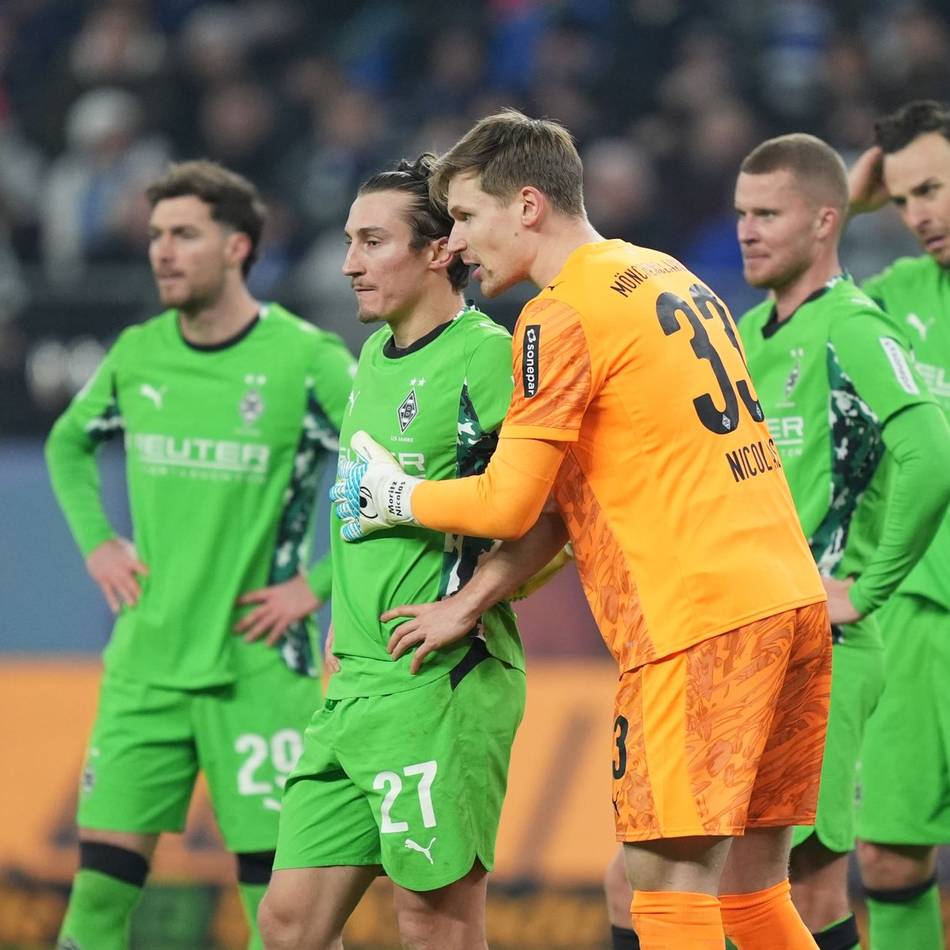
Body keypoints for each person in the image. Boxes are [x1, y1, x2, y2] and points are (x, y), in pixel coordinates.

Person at [333, 110, 833, 950]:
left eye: (463, 217)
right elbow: (574, 499)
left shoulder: (559, 317)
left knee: (666, 886)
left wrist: (395, 496)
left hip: (693, 622)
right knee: (752, 892)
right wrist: (476, 595)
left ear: (527, 205)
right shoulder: (667, 272)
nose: (455, 243)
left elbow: (505, 506)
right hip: (788, 603)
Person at [606, 131, 950, 950]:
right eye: (739, 213)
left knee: (806, 877)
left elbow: (932, 453)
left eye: (768, 213)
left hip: (823, 645)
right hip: (739, 641)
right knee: (644, 875)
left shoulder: (853, 328)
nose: (746, 231)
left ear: (826, 222)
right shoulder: (740, 337)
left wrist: (865, 589)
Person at [46, 160, 355, 950]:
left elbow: (392, 467)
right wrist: (98, 545)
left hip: (258, 674)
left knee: (280, 919)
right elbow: (68, 443)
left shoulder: (306, 358)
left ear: (237, 247)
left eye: (185, 234)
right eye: (154, 236)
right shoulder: (139, 352)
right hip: (146, 667)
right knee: (95, 905)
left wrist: (315, 586)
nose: (162, 252)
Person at [258, 154, 559, 950]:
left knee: (435, 921)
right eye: (348, 242)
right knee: (286, 923)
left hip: (438, 686)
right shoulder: (370, 356)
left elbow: (556, 510)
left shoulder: (484, 357)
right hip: (355, 682)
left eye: (371, 241)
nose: (349, 264)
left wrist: (468, 604)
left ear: (438, 251)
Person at [846, 99, 950, 950]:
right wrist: (846, 198)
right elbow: (795, 286)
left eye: (937, 188)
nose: (922, 214)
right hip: (912, 616)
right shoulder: (898, 298)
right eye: (908, 196)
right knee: (886, 859)